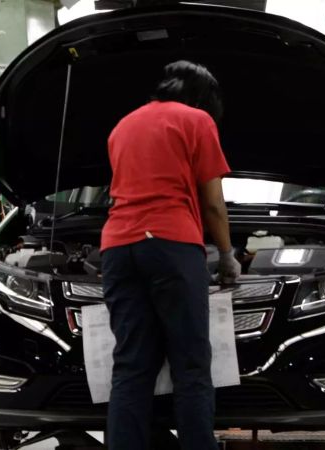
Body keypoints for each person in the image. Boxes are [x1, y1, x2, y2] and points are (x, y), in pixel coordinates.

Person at [100, 60, 241, 450]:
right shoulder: (197, 121)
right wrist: (227, 254)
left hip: (116, 247)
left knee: (130, 366)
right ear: (202, 99)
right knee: (191, 365)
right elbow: (213, 204)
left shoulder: (122, 126)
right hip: (170, 245)